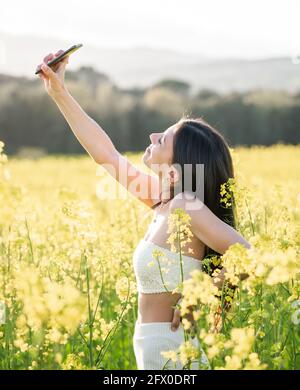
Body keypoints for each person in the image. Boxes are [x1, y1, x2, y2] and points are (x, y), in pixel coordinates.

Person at [37, 52, 251, 370]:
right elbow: (105, 153)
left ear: (176, 171)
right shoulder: (165, 201)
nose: (152, 137)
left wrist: (201, 295)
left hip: (173, 353)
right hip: (155, 349)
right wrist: (59, 92)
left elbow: (246, 254)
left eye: (162, 139)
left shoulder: (184, 206)